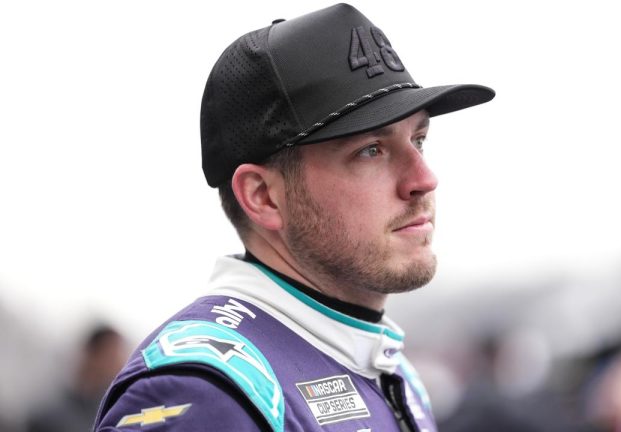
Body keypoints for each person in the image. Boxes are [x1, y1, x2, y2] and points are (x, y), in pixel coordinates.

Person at [93, 3, 494, 432]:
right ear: (264, 196)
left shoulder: (391, 371)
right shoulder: (203, 391)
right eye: (371, 150)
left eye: (419, 139)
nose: (424, 179)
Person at [27, 325, 127, 432]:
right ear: (92, 353)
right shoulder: (47, 411)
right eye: (111, 356)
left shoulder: (112, 414)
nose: (119, 364)